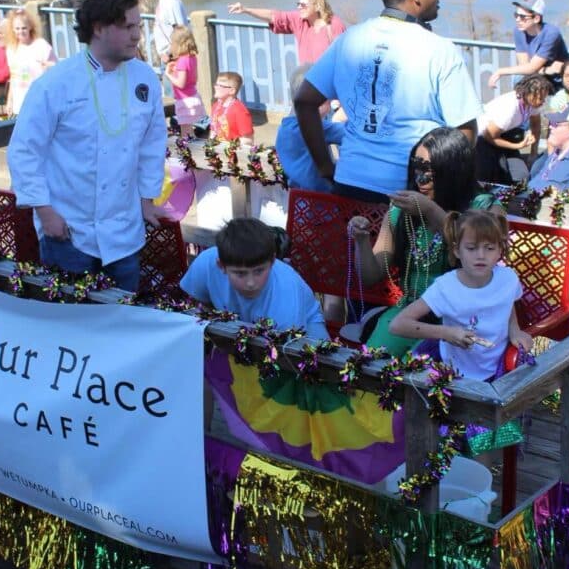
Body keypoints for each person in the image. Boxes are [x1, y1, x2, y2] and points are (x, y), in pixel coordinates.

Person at [7, 0, 166, 292]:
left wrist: (147, 200)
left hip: (125, 231)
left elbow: (152, 144)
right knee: (71, 315)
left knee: (124, 313)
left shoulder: (145, 78)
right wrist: (45, 211)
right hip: (68, 231)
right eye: (128, 27)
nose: (137, 35)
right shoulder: (56, 83)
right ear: (98, 28)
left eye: (138, 26)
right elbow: (25, 151)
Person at [292, 0, 480, 204]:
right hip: (411, 195)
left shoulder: (348, 40)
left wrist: (325, 166)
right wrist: (443, 190)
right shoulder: (440, 49)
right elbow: (465, 131)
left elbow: (304, 100)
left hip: (350, 185)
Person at [346, 127, 479, 356]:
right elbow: (370, 276)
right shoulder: (402, 212)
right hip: (408, 315)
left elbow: (476, 251)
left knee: (422, 370)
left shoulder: (482, 206)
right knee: (372, 364)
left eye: (430, 170)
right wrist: (361, 240)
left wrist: (430, 211)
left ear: (453, 171)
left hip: (459, 321)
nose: (421, 179)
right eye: (417, 167)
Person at [389, 208, 531, 380]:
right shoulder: (445, 287)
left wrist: (515, 331)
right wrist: (445, 333)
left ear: (500, 249)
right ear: (457, 250)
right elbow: (398, 324)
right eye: (471, 248)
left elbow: (507, 304)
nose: (481, 255)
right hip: (449, 370)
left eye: (489, 248)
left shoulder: (508, 278)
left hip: (497, 365)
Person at [180, 217, 327, 339]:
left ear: (272, 262)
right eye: (240, 273)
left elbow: (287, 352)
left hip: (302, 329)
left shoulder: (287, 297)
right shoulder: (206, 263)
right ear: (221, 266)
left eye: (259, 271)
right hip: (240, 327)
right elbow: (197, 305)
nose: (250, 283)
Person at [227, 0, 347, 64]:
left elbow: (346, 58)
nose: (299, 8)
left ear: (317, 6)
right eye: (298, 4)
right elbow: (274, 16)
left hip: (329, 86)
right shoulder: (300, 21)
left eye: (303, 5)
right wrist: (246, 10)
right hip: (308, 82)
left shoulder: (334, 25)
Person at [275, 63, 344, 193]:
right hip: (321, 199)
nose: (330, 102)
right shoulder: (318, 127)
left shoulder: (284, 129)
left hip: (298, 197)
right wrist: (344, 113)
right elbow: (353, 134)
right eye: (328, 99)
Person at [474, 73, 554, 184]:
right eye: (540, 98)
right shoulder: (510, 109)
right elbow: (489, 135)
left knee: (521, 177)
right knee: (497, 174)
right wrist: (518, 146)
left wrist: (533, 153)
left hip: (504, 136)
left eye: (544, 98)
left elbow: (536, 125)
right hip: (481, 139)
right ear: (528, 93)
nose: (542, 102)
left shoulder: (532, 103)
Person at [487, 0, 569, 91]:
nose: (517, 20)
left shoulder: (551, 33)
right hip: (540, 75)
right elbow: (525, 67)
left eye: (523, 17)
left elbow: (531, 68)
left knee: (521, 79)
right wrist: (545, 70)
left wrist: (500, 71)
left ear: (536, 18)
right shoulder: (519, 31)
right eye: (516, 15)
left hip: (558, 80)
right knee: (519, 78)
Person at [4, 8, 55, 117]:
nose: (20, 32)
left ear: (30, 27)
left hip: (39, 100)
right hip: (19, 101)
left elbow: (56, 69)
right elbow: (13, 76)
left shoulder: (41, 45)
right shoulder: (12, 49)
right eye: (17, 28)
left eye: (24, 28)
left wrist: (48, 67)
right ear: (12, 29)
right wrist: (10, 100)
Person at [140, 0, 188, 64]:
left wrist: (169, 54)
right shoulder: (164, 0)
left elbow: (180, 31)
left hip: (175, 58)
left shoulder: (171, 1)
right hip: (170, 58)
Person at [166, 25, 204, 139]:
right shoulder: (192, 57)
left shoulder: (182, 61)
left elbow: (181, 84)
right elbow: (194, 79)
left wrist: (169, 74)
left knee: (185, 135)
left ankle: (188, 151)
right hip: (194, 97)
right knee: (191, 133)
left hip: (184, 101)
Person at [210, 71, 253, 146]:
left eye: (221, 86)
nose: (216, 87)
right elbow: (213, 130)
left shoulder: (240, 110)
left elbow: (247, 139)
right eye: (216, 84)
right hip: (217, 149)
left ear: (232, 91)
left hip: (233, 150)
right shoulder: (215, 106)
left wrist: (232, 148)